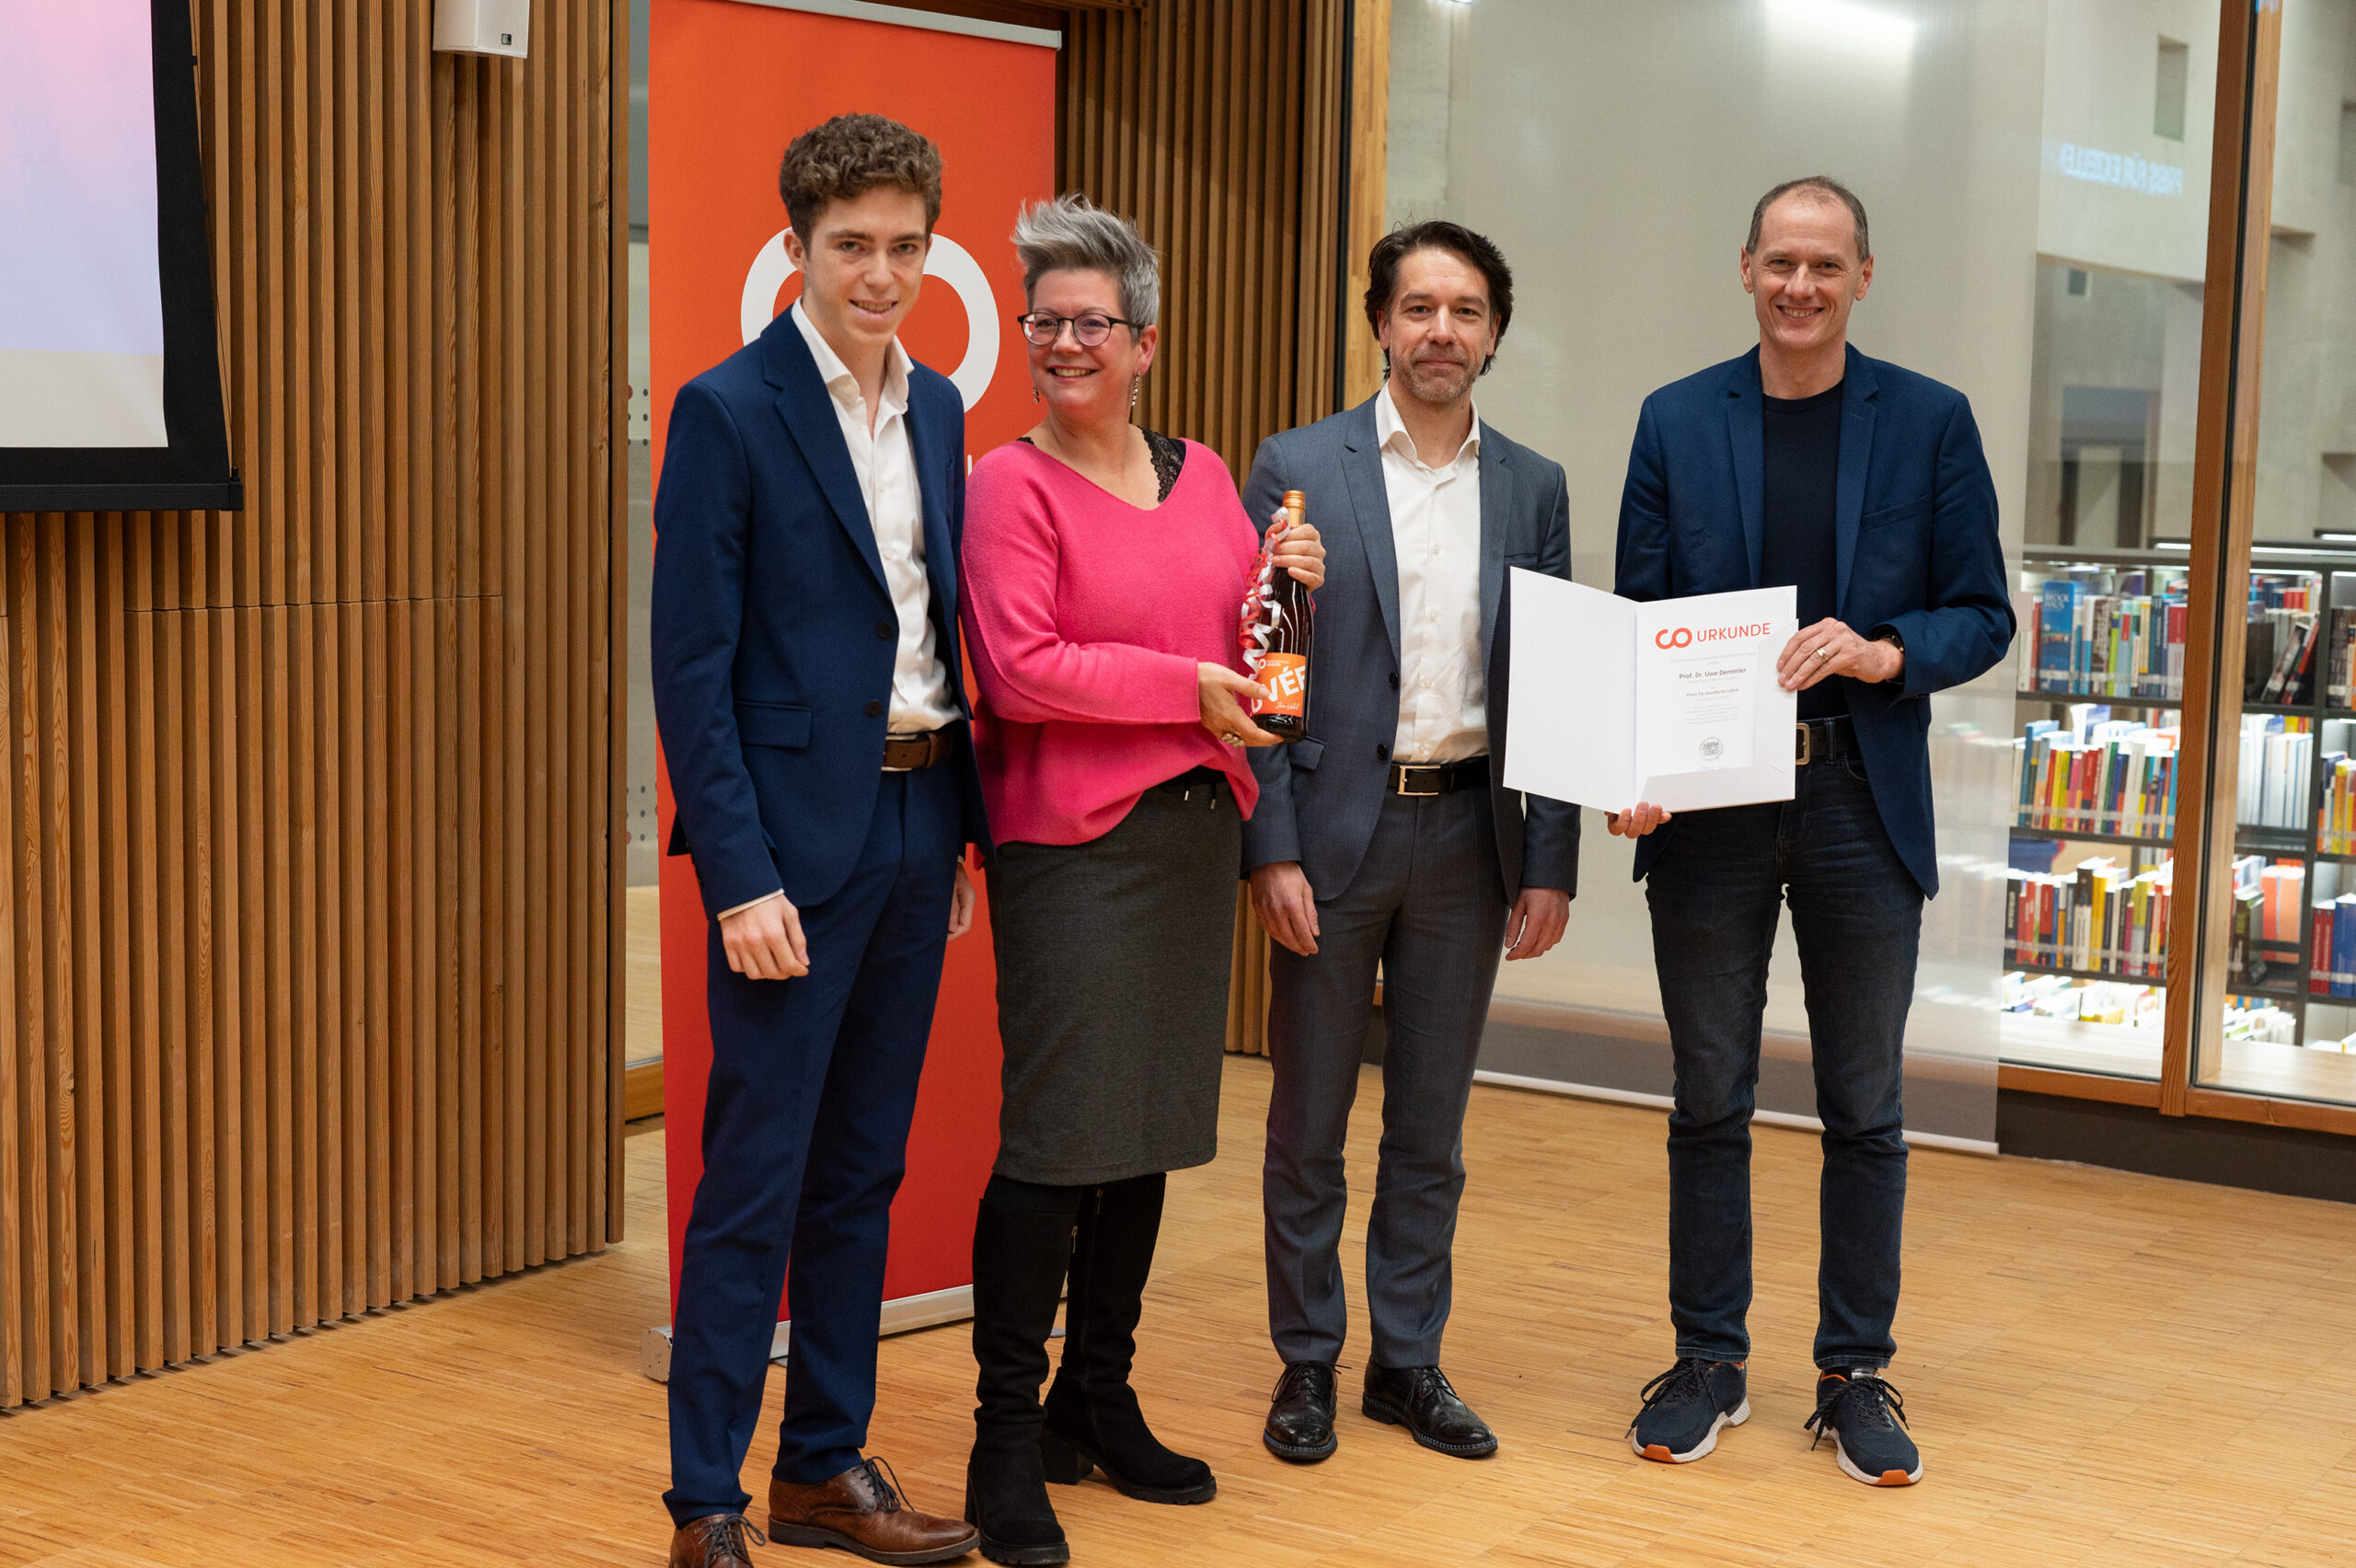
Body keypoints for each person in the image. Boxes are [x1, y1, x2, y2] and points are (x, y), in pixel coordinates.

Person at [1611, 177, 2013, 1488]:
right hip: (1713, 807)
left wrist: (1890, 650)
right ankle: (1709, 1358)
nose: (1800, 285)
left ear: (1862, 277)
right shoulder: (1675, 420)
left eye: (1824, 265)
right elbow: (1640, 618)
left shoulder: (1932, 424)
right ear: (1745, 271)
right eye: (1780, 262)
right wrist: (1637, 758)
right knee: (1707, 1096)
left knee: (1866, 1106)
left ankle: (1854, 1375)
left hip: (1857, 796)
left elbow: (1983, 612)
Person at [955, 195, 1325, 1567]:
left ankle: (1093, 1399)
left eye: (1088, 323)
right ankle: (1005, 1440)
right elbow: (1020, 668)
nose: (1060, 342)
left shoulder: (1208, 471)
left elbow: (1250, 646)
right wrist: (1192, 686)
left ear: (1145, 342)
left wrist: (1294, 582)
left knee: (1152, 1128)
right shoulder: (1011, 483)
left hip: (1189, 843)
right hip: (1071, 848)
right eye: (1041, 320)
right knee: (1058, 1145)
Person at [650, 114, 991, 1568]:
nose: (881, 272)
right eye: (851, 245)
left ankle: (821, 1471)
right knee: (757, 1177)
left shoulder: (935, 412)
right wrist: (740, 879)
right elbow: (691, 670)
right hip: (791, 853)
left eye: (905, 246)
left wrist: (960, 837)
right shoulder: (728, 411)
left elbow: (931, 635)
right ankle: (705, 1504)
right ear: (797, 247)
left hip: (920, 821)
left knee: (863, 1171)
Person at [1242, 221, 1579, 1467]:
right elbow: (1263, 664)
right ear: (1381, 323)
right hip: (1334, 828)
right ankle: (1306, 1363)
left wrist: (1551, 859)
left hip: (1469, 835)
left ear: (1494, 332)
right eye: (1420, 308)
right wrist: (1268, 844)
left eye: (1467, 310)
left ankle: (1408, 1360)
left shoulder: (1535, 485)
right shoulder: (1296, 464)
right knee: (1310, 1123)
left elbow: (1547, 682)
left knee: (1430, 1128)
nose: (1443, 331)